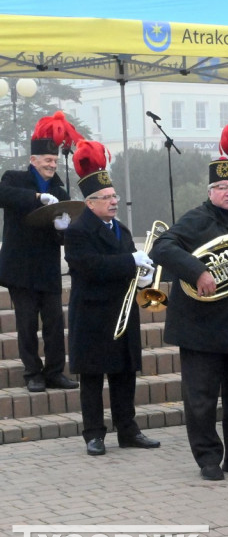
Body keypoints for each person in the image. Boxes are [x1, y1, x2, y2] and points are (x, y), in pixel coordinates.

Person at [150, 120, 228, 482]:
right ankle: (207, 457)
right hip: (202, 326)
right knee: (201, 398)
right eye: (222, 187)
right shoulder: (196, 220)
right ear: (211, 191)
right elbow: (163, 247)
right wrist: (198, 272)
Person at [63, 140, 161, 456]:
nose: (113, 201)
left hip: (123, 309)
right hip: (92, 314)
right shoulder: (77, 231)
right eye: (106, 198)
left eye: (114, 196)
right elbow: (89, 267)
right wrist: (129, 262)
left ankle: (128, 430)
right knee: (92, 377)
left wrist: (145, 278)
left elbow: (130, 267)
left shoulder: (119, 228)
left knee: (124, 373)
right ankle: (94, 434)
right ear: (90, 203)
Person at [0, 112, 81, 393]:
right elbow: (3, 196)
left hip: (47, 266)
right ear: (33, 160)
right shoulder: (14, 178)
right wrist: (36, 198)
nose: (51, 164)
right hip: (20, 266)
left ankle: (55, 372)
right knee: (25, 323)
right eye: (47, 160)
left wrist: (63, 227)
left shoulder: (59, 187)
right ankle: (33, 373)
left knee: (55, 323)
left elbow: (66, 227)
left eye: (55, 161)